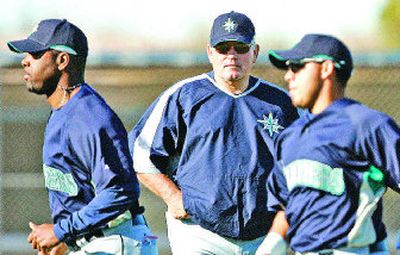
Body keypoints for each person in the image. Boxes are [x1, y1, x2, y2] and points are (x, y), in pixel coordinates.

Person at [128, 11, 299, 255]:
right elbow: (140, 154)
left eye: (240, 47)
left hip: (264, 236)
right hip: (199, 233)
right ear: (210, 52)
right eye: (222, 48)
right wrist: (174, 197)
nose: (231, 56)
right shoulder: (183, 96)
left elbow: (306, 161)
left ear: (255, 52)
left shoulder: (281, 103)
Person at [7, 19, 157, 255]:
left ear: (62, 60)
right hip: (96, 243)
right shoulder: (63, 112)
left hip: (115, 242)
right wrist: (67, 240)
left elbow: (120, 191)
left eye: (35, 53)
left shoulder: (89, 117)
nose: (25, 60)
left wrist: (60, 231)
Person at [261, 34, 400, 254]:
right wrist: (272, 242)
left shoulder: (366, 124)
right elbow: (286, 204)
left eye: (297, 67)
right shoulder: (290, 136)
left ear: (326, 69)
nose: (288, 76)